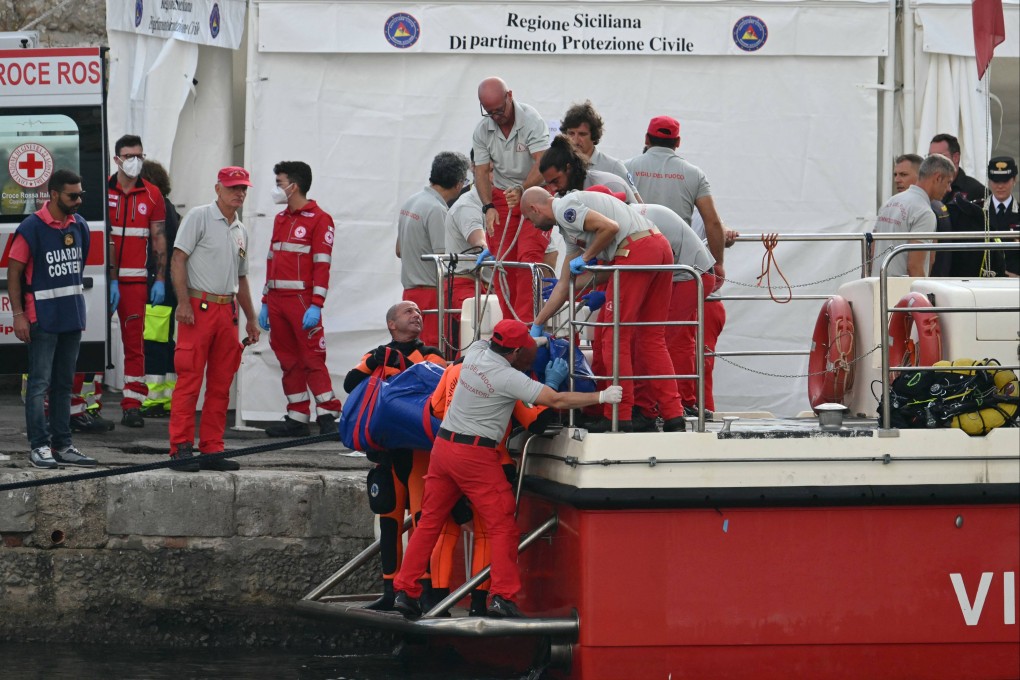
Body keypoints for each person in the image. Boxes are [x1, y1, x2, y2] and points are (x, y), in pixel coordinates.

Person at [392, 319, 623, 619]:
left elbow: (487, 344)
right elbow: (554, 400)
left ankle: (405, 592)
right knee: (502, 526)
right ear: (514, 352)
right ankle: (502, 596)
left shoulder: (475, 352)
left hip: (443, 447)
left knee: (429, 523)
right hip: (476, 455)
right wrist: (601, 396)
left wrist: (539, 339)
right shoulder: (507, 378)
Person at [522, 187, 687, 433]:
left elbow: (610, 227)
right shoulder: (570, 230)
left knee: (613, 335)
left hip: (634, 251)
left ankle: (618, 415)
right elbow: (567, 285)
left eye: (528, 218)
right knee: (652, 337)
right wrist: (539, 321)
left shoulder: (566, 208)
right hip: (658, 246)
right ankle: (674, 415)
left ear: (535, 209)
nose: (532, 225)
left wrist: (587, 256)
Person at [343, 301, 446, 611]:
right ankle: (389, 591)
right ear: (391, 324)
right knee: (388, 521)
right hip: (385, 453)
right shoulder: (377, 355)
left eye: (419, 312)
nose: (417, 315)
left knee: (420, 521)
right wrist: (375, 360)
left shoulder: (430, 354)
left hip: (417, 454)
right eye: (408, 312)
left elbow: (440, 382)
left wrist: (405, 359)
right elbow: (351, 384)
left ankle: (422, 591)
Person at [167, 166, 260, 472]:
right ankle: (181, 447)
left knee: (221, 384)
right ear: (218, 188)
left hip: (226, 311)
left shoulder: (240, 230)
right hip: (198, 306)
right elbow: (178, 258)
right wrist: (183, 303)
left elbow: (241, 278)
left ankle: (212, 448)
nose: (240, 193)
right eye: (234, 187)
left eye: (243, 188)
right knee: (190, 380)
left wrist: (251, 318)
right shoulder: (199, 216)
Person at [6, 168, 99, 469]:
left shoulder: (80, 226)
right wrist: (19, 315)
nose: (78, 200)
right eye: (73, 196)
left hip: (71, 316)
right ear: (54, 194)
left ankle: (63, 445)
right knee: (39, 385)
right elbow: (14, 272)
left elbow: (78, 269)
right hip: (42, 318)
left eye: (81, 194)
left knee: (63, 385)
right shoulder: (31, 227)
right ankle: (39, 447)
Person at [258, 161, 342, 437]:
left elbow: (322, 265)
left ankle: (328, 415)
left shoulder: (320, 219)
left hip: (303, 302)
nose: (276, 188)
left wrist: (317, 305)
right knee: (288, 360)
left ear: (294, 186)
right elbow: (271, 260)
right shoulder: (281, 219)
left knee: (312, 359)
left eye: (280, 183)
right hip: (278, 302)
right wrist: (265, 301)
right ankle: (297, 417)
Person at [472, 77, 551, 323]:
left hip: (533, 193)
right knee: (503, 264)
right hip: (502, 197)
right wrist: (488, 207)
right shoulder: (482, 130)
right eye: (490, 112)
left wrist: (523, 189)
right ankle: (509, 326)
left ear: (510, 96)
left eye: (499, 110)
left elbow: (543, 163)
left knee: (528, 260)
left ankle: (527, 326)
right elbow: (481, 172)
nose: (496, 117)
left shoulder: (531, 120)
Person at [108, 134, 168, 429]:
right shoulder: (101, 189)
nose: (135, 161)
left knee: (135, 344)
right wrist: (108, 279)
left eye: (139, 156)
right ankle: (81, 405)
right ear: (117, 158)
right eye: (129, 156)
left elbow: (158, 238)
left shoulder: (153, 194)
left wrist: (160, 278)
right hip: (104, 282)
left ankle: (133, 404)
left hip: (135, 282)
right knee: (90, 341)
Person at [626, 116, 728, 285]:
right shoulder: (694, 174)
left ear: (646, 138)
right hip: (679, 268)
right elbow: (713, 222)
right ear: (678, 142)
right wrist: (718, 264)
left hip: (634, 263)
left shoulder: (626, 168)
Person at [396, 152, 471, 349]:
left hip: (409, 293)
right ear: (459, 184)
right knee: (432, 352)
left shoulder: (411, 201)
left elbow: (398, 250)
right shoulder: (437, 210)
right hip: (430, 296)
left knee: (412, 350)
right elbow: (444, 261)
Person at [139, 159, 180, 418]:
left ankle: (154, 398)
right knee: (163, 342)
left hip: (159, 284)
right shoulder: (169, 208)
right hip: (166, 286)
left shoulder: (159, 209)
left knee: (154, 342)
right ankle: (165, 397)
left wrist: (157, 281)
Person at [872, 154, 956, 277]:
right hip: (902, 292)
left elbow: (872, 250)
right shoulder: (924, 212)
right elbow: (915, 267)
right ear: (938, 178)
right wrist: (923, 294)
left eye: (903, 174)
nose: (949, 189)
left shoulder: (890, 202)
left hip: (877, 286)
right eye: (948, 182)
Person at [444, 164, 487, 354]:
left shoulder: (493, 204)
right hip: (464, 286)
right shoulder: (468, 206)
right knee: (470, 348)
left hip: (481, 285)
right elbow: (479, 242)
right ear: (475, 169)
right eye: (490, 170)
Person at [560, 100, 641, 200]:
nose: (575, 140)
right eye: (571, 133)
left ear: (594, 136)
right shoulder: (559, 165)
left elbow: (637, 203)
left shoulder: (614, 166)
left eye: (582, 134)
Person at [539, 134, 638, 203]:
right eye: (549, 184)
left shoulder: (609, 185)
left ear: (568, 168)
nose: (553, 189)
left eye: (555, 181)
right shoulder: (561, 195)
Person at [985, 156, 1019, 277]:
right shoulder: (978, 210)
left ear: (1014, 180)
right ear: (989, 181)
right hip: (983, 279)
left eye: (1005, 181)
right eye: (996, 181)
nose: (1000, 186)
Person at [929, 133, 986, 203]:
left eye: (940, 157)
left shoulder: (976, 190)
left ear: (956, 158)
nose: (933, 162)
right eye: (930, 157)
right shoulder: (927, 187)